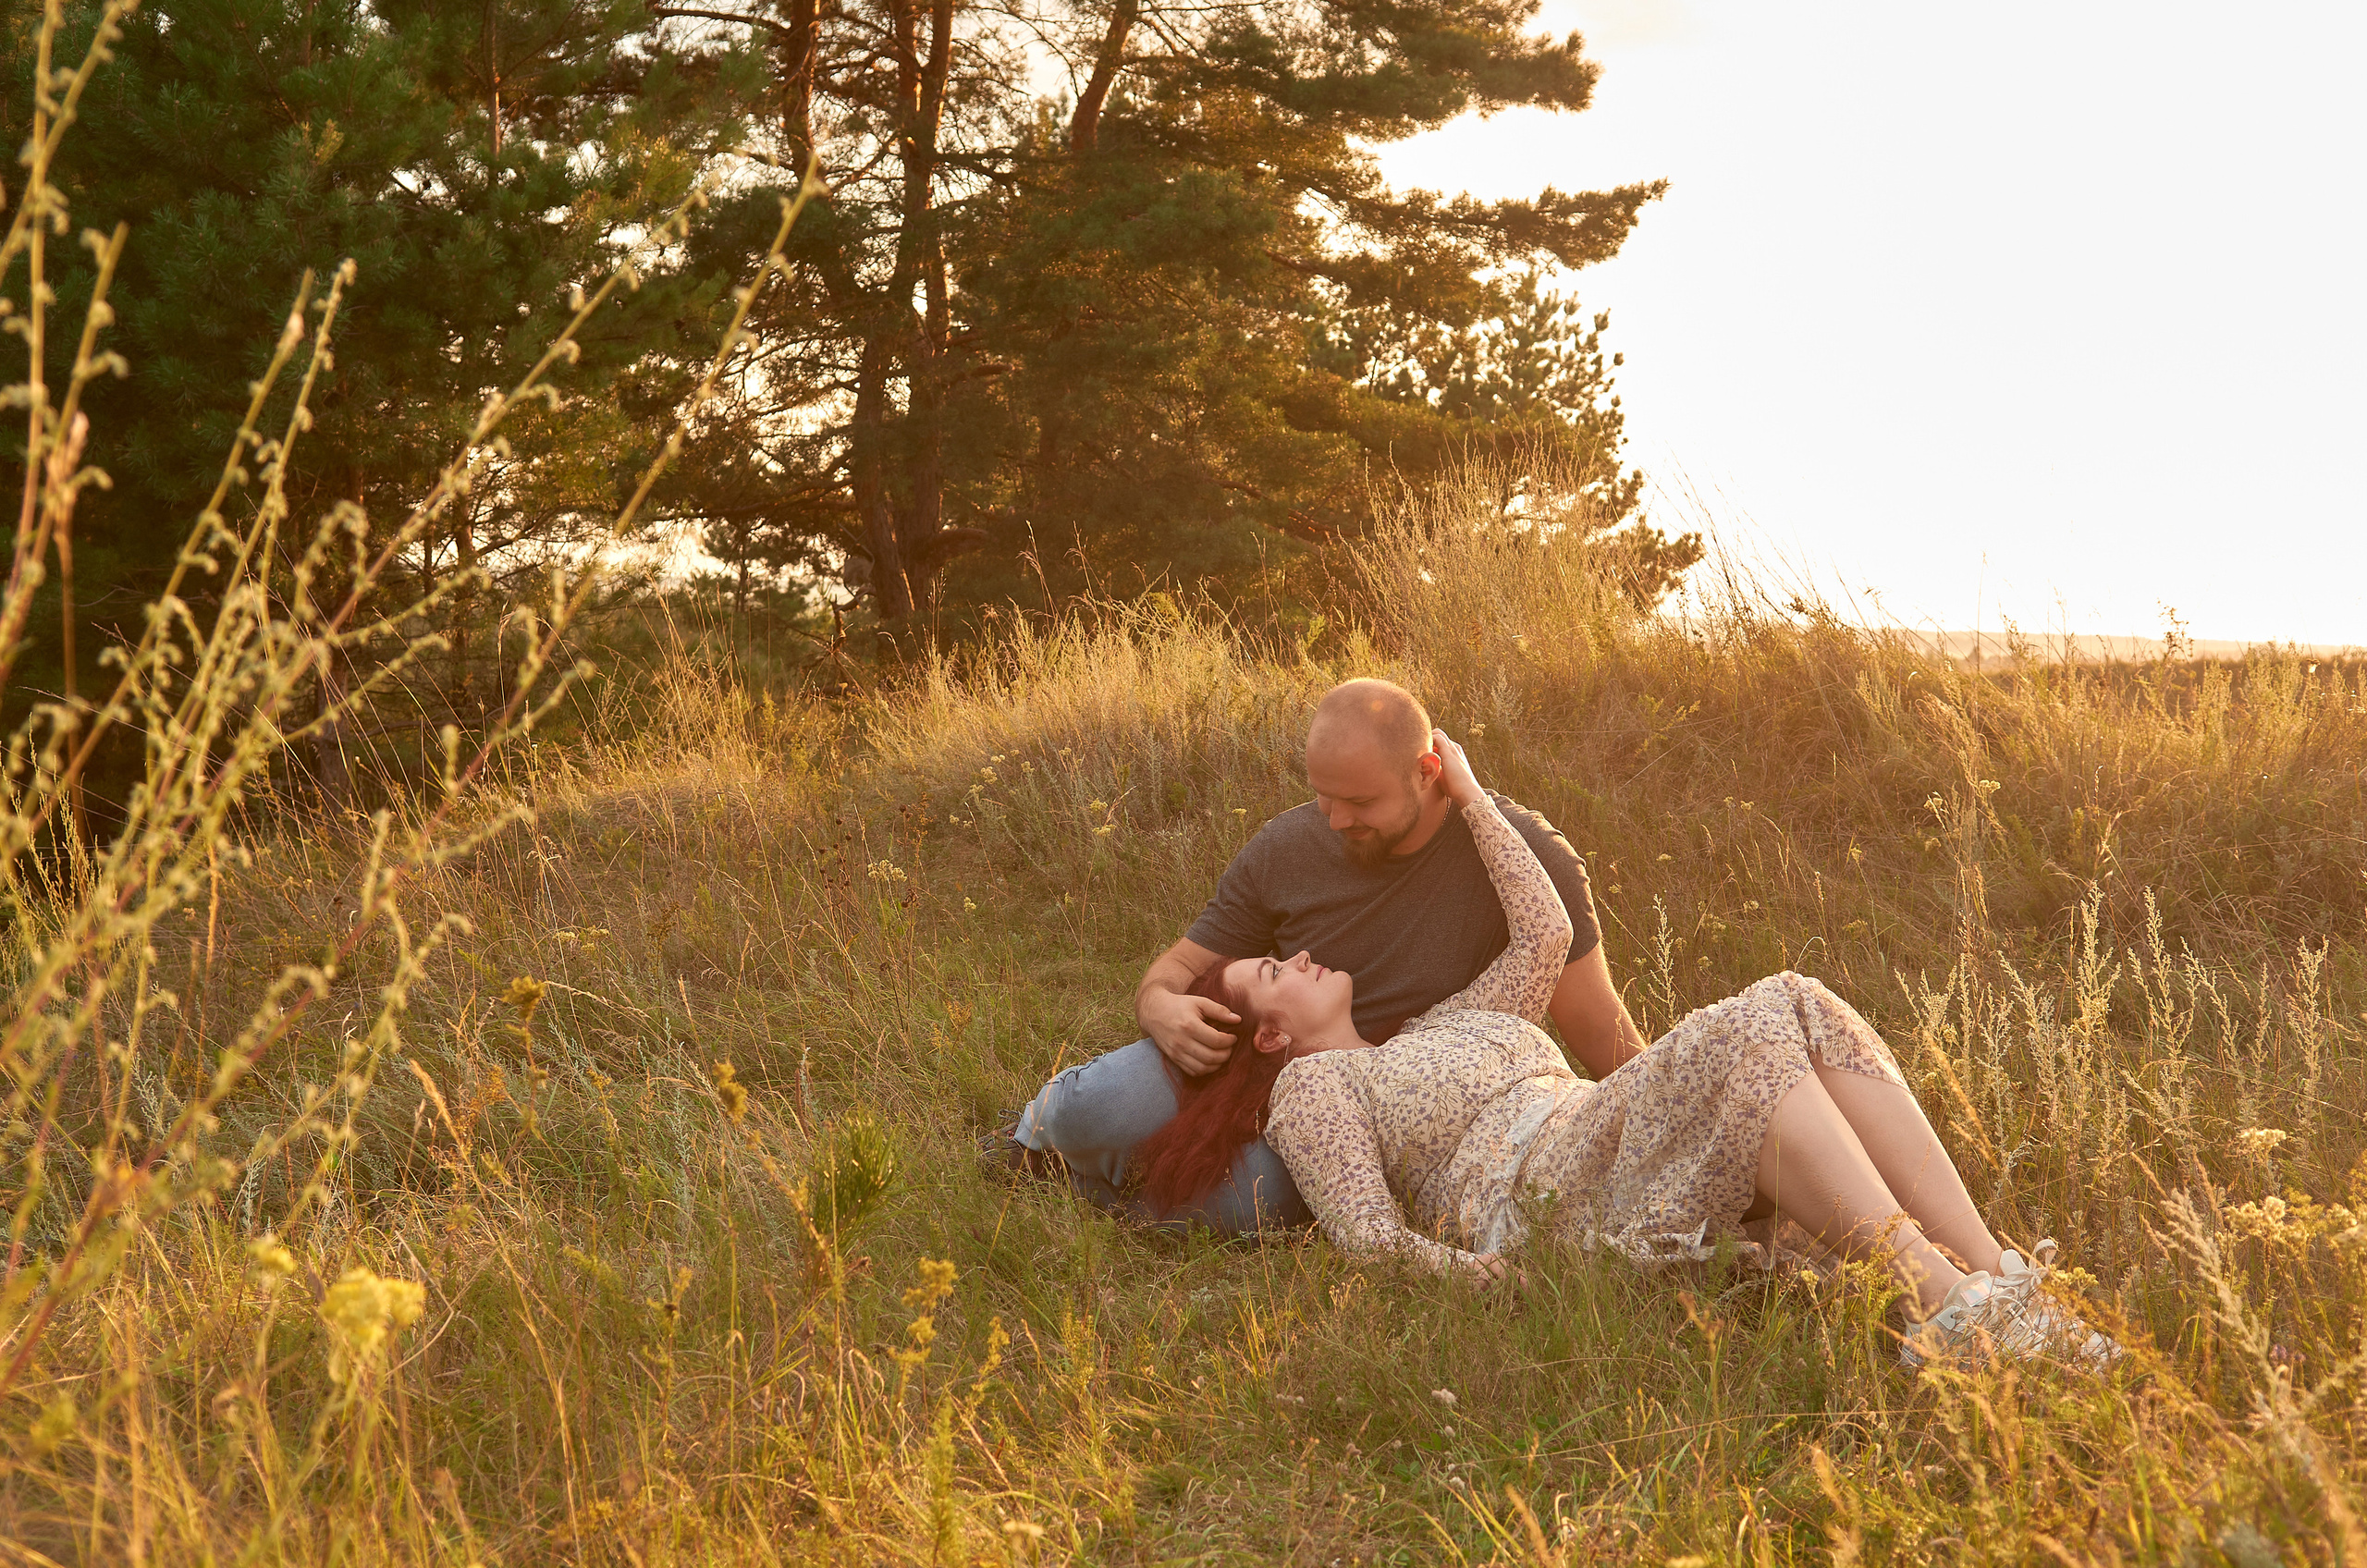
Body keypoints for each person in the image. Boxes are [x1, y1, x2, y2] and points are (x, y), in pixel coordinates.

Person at [1131, 729, 2119, 1367]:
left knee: (1799, 1001)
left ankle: (1993, 1273)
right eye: (1276, 968)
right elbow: (1368, 1234)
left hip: (1596, 1131)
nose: (1301, 953)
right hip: (1544, 1190)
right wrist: (1478, 1276)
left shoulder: (1441, 1021)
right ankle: (1944, 1305)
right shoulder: (1316, 1087)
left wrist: (1471, 795)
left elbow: (1545, 934)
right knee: (1753, 1020)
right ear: (1271, 1033)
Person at [995, 678, 1644, 1235]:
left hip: (1375, 1111)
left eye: (1360, 802)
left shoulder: (1521, 853)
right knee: (1092, 1107)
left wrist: (1653, 1122)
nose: (1335, 821)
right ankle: (1029, 1144)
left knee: (1260, 1198)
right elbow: (1181, 966)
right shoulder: (1286, 847)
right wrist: (1158, 1005)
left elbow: (1597, 1024)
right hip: (1252, 1061)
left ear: (1428, 771)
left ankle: (1105, 1197)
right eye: (1323, 795)